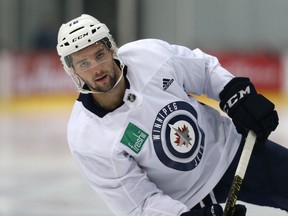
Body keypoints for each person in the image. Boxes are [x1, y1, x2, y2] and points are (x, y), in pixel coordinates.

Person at [56, 14, 287, 216]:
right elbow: (140, 204)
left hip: (228, 151)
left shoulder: (148, 55)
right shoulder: (87, 138)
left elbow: (204, 71)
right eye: (84, 63)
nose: (97, 69)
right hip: (184, 201)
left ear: (111, 49)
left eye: (99, 55)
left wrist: (237, 97)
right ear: (72, 71)